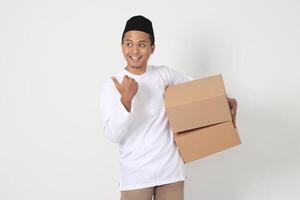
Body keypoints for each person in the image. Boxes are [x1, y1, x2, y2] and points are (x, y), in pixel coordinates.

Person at [100, 15, 237, 200]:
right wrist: (126, 100)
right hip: (136, 175)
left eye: (141, 44)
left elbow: (197, 90)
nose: (134, 50)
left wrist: (223, 100)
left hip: (170, 172)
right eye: (129, 43)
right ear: (122, 46)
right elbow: (112, 134)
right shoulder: (113, 85)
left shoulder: (163, 75)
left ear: (152, 48)